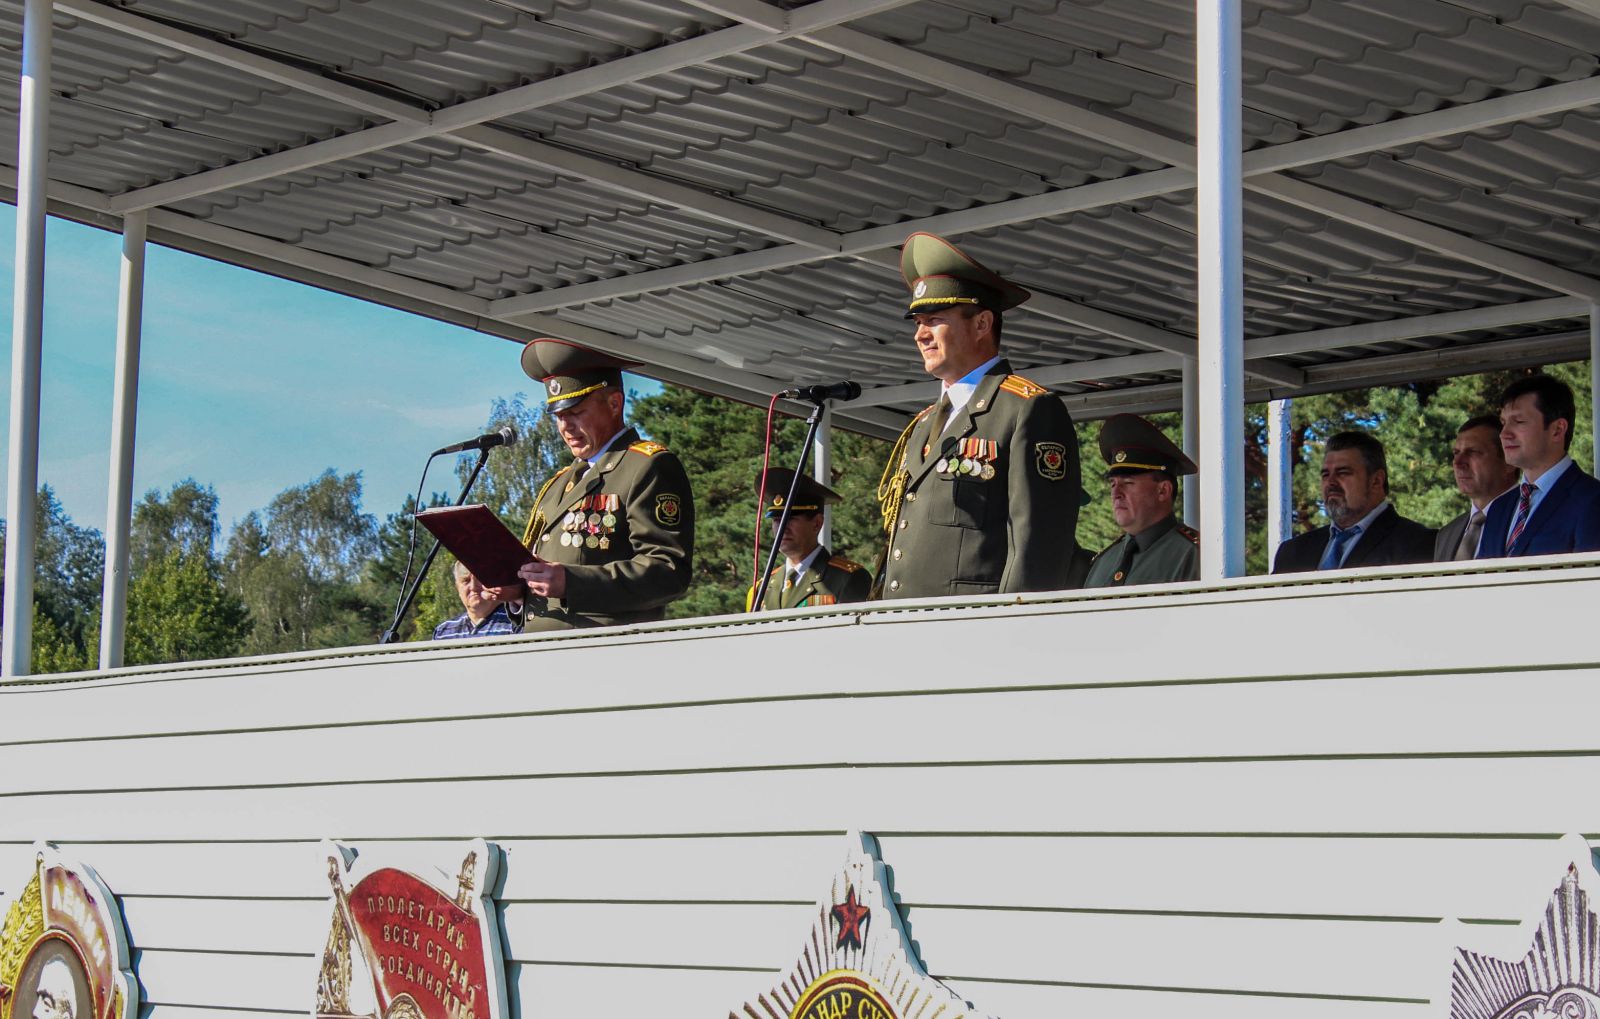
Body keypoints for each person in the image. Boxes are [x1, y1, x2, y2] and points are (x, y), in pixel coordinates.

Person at [876, 232, 1081, 598]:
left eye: (934, 319)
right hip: (903, 630)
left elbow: (1039, 543)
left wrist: (1009, 628)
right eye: (917, 323)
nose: (920, 335)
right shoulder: (924, 424)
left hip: (974, 632)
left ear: (982, 324)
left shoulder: (1026, 409)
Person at [514, 338, 694, 629]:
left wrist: (571, 582)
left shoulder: (646, 466)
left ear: (614, 403)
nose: (565, 427)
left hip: (605, 655)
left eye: (575, 412)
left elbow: (667, 571)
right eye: (558, 416)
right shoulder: (558, 485)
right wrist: (517, 591)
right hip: (544, 655)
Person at [1272, 431, 1434, 573]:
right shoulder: (1293, 552)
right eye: (1325, 475)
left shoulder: (1417, 543)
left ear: (1376, 481)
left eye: (1343, 473)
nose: (1331, 482)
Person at [1477, 374, 1600, 558]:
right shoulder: (1499, 507)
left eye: (1519, 422)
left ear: (1557, 430)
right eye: (1503, 423)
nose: (1504, 434)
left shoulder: (1592, 499)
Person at [1084, 414, 1199, 588]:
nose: (1116, 493)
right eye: (1113, 484)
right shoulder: (1103, 562)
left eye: (1128, 483)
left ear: (1163, 490)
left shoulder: (1193, 555)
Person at [746, 468, 872, 610]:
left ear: (817, 523)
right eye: (776, 520)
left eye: (790, 519)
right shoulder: (760, 589)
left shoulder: (847, 578)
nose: (782, 528)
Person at [1434, 414, 1519, 562]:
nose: (1458, 462)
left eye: (1473, 452)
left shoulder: (1528, 519)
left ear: (1509, 462)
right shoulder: (1447, 534)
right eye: (1456, 453)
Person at [431, 561, 519, 639]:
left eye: (480, 578)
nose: (473, 587)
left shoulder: (515, 622)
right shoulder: (443, 632)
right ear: (457, 588)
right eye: (466, 581)